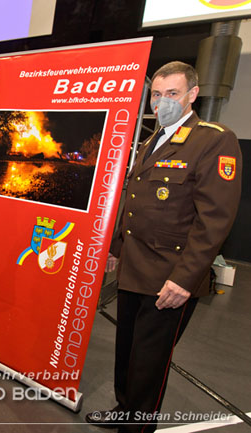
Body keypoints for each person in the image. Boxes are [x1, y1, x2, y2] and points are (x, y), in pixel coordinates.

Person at [85, 61, 242, 432]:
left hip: (169, 277)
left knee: (149, 362)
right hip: (134, 268)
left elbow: (214, 221)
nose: (162, 101)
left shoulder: (214, 139)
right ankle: (125, 410)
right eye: (156, 94)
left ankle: (138, 426)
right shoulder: (153, 139)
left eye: (172, 93)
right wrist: (117, 249)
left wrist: (185, 279)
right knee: (126, 352)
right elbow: (136, 202)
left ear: (192, 94)